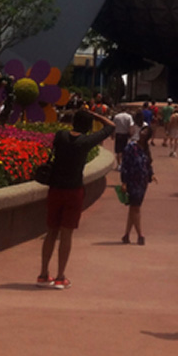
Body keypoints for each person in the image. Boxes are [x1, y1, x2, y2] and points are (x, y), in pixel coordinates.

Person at [37, 107, 114, 289]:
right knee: (66, 234)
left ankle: (43, 273)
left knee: (51, 232)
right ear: (88, 125)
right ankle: (60, 276)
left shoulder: (60, 136)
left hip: (55, 188)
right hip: (73, 190)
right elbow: (111, 126)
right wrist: (95, 114)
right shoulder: (85, 141)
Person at [120, 126, 156, 243]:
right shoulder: (131, 147)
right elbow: (125, 165)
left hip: (142, 182)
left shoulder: (145, 149)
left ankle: (126, 235)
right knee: (136, 208)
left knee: (133, 208)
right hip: (132, 181)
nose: (143, 133)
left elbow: (148, 164)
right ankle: (140, 235)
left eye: (146, 132)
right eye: (143, 131)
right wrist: (124, 182)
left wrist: (152, 175)